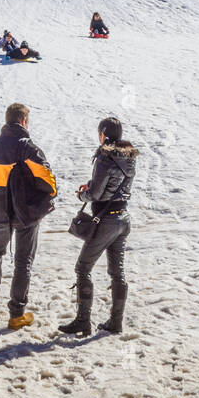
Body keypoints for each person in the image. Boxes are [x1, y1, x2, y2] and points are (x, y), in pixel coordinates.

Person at [0, 103, 56, 328]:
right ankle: (16, 314)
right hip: (25, 213)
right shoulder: (28, 148)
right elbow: (49, 181)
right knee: (23, 261)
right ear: (23, 122)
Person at [59, 117, 137, 336]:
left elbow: (95, 194)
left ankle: (83, 321)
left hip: (106, 221)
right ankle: (116, 322)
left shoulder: (105, 158)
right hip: (123, 218)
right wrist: (93, 186)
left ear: (103, 134)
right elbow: (113, 187)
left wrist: (82, 193)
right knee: (117, 272)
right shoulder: (129, 157)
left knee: (83, 268)